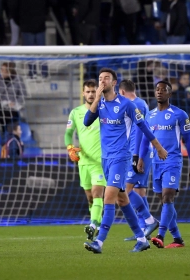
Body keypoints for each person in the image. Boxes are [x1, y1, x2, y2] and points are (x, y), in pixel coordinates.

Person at [83, 68, 168, 253]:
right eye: (100, 78)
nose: (102, 81)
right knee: (123, 200)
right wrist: (96, 98)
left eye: (106, 78)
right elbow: (86, 122)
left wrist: (159, 147)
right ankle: (141, 238)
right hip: (105, 159)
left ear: (114, 83)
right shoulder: (101, 104)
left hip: (120, 158)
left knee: (109, 197)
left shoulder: (126, 104)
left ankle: (99, 242)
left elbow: (143, 126)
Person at [138, 80, 190, 249]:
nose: (159, 92)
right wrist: (141, 158)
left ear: (170, 94)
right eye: (157, 89)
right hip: (155, 162)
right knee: (165, 203)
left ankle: (160, 235)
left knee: (168, 196)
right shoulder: (149, 115)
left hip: (172, 161)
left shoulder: (180, 115)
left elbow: (189, 143)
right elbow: (145, 139)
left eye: (163, 90)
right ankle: (178, 239)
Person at [64, 80, 106, 241]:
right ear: (83, 93)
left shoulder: (104, 110)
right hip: (83, 161)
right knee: (90, 197)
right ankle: (98, 222)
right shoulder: (76, 112)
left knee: (97, 194)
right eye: (87, 91)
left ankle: (93, 224)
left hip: (100, 162)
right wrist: (69, 148)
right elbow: (68, 133)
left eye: (93, 91)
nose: (90, 94)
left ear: (98, 92)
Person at [118, 79, 158, 242]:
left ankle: (149, 221)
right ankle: (143, 231)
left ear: (121, 92)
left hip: (139, 153)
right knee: (140, 191)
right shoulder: (140, 103)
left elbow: (141, 133)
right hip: (142, 153)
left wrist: (136, 156)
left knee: (124, 191)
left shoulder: (136, 105)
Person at [0, 61, 27, 131]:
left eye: (3, 70)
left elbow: (23, 94)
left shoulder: (18, 80)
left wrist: (15, 103)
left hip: (13, 105)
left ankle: (5, 130)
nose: (1, 71)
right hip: (2, 105)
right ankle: (3, 130)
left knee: (4, 114)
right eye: (1, 69)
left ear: (9, 71)